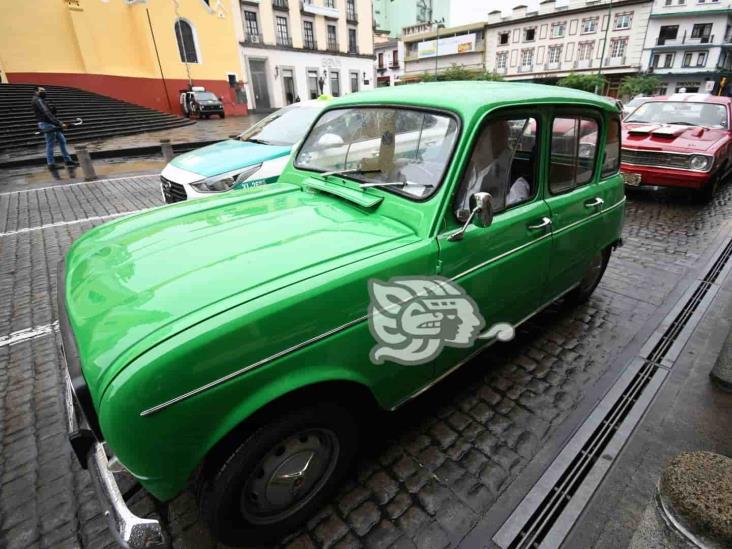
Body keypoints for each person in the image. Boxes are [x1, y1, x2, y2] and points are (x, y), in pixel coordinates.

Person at [32, 87, 77, 170]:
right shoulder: (38, 100)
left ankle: (67, 160)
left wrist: (53, 111)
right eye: (41, 91)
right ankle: (51, 164)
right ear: (36, 92)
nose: (44, 92)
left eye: (44, 91)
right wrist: (59, 123)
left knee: (62, 140)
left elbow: (48, 112)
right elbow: (47, 113)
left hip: (51, 123)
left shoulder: (40, 100)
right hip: (47, 124)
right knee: (50, 144)